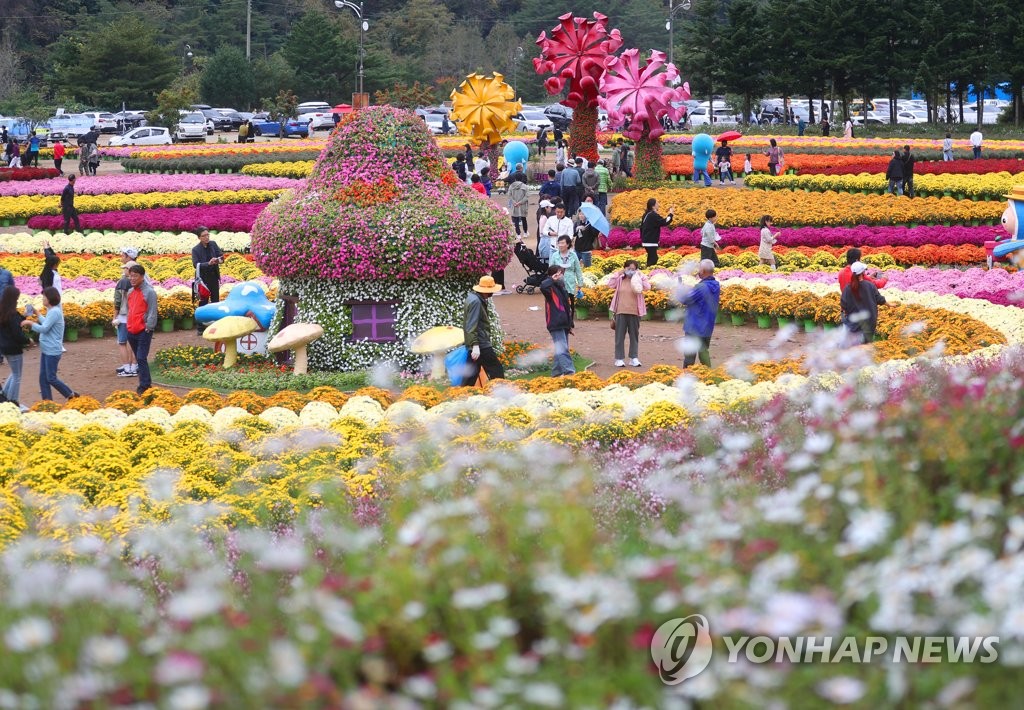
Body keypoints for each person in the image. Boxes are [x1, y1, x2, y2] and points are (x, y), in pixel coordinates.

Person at [24, 286, 78, 401]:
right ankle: (47, 402)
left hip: (52, 350)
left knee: (51, 378)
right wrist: (37, 313)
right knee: (43, 378)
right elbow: (47, 324)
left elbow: (44, 328)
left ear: (50, 298)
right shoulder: (53, 311)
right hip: (47, 349)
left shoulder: (54, 312)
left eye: (44, 297)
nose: (43, 299)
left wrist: (30, 323)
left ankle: (70, 394)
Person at [462, 275, 504, 386]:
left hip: (477, 342)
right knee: (496, 369)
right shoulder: (476, 302)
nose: (492, 293)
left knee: (471, 374)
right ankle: (501, 392)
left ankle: (461, 395)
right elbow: (471, 325)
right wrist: (475, 345)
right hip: (481, 343)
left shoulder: (474, 298)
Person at [608, 260, 650, 367]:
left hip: (635, 312)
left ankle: (633, 358)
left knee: (634, 336)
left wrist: (641, 275)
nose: (631, 271)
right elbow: (610, 284)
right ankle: (619, 358)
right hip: (621, 311)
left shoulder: (638, 279)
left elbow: (648, 287)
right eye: (629, 268)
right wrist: (619, 272)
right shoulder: (620, 279)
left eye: (633, 269)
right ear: (625, 268)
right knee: (619, 336)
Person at [680, 259, 721, 368]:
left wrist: (680, 289)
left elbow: (685, 300)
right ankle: (708, 376)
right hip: (707, 325)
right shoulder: (716, 285)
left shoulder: (700, 287)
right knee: (703, 352)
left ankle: (686, 376)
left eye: (699, 269)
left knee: (689, 356)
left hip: (694, 325)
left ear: (703, 271)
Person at [125, 263, 158, 395]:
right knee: (140, 359)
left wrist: (149, 327)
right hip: (131, 330)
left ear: (142, 277)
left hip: (144, 330)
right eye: (131, 276)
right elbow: (130, 310)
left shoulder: (149, 292)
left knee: (141, 357)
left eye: (135, 276)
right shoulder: (131, 291)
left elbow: (152, 311)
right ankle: (146, 383)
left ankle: (144, 385)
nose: (132, 279)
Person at [539, 265, 575, 377]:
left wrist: (569, 325)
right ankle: (570, 372)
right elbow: (542, 286)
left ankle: (556, 373)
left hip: (563, 323)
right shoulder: (549, 288)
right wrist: (551, 279)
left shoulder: (561, 287)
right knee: (562, 349)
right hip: (555, 323)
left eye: (561, 273)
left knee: (560, 349)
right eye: (559, 273)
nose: (561, 276)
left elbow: (566, 307)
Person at [841, 261, 886, 344]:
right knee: (866, 345)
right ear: (863, 272)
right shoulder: (870, 285)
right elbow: (879, 299)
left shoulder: (848, 288)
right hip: (869, 322)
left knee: (854, 346)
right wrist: (889, 304)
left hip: (854, 324)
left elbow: (844, 305)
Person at [0, 285, 30, 408]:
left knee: (14, 373)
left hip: (4, 347)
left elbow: (12, 321)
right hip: (14, 348)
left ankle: (5, 397)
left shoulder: (3, 311)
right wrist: (28, 340)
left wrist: (24, 316)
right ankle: (13, 402)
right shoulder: (12, 314)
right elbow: (17, 334)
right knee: (17, 375)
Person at [192, 227, 224, 329]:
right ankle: (200, 327)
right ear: (199, 238)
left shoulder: (213, 244)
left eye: (207, 235)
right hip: (203, 280)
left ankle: (215, 325)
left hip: (214, 277)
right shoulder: (195, 250)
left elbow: (222, 257)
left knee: (215, 301)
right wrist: (208, 263)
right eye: (204, 236)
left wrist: (218, 260)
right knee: (203, 303)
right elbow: (195, 264)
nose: (206, 237)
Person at [112, 258, 138, 377]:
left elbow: (117, 302)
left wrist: (114, 317)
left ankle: (126, 368)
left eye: (126, 268)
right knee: (134, 342)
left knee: (122, 342)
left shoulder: (122, 282)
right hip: (135, 316)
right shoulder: (139, 282)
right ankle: (134, 366)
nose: (124, 271)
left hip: (123, 317)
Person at [549, 234, 584, 310]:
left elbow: (578, 270)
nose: (560, 245)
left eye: (562, 243)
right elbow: (550, 269)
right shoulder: (555, 255)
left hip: (570, 283)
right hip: (558, 283)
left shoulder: (573, 255)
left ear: (568, 244)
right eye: (559, 243)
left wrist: (580, 283)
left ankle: (570, 320)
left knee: (570, 303)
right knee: (560, 303)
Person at [640, 197, 673, 267]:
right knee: (653, 260)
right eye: (657, 203)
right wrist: (671, 214)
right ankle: (650, 275)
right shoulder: (652, 215)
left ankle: (649, 273)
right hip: (650, 242)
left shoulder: (647, 214)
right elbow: (664, 222)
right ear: (653, 206)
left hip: (647, 241)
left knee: (651, 259)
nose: (659, 205)